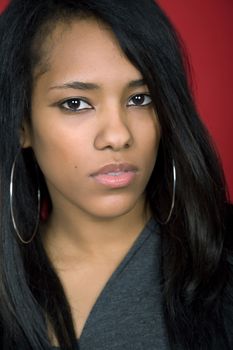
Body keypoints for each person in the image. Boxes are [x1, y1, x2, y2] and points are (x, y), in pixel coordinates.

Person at [0, 0, 232, 349]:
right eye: (75, 103)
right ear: (22, 124)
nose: (118, 135)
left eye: (140, 99)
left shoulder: (221, 261)